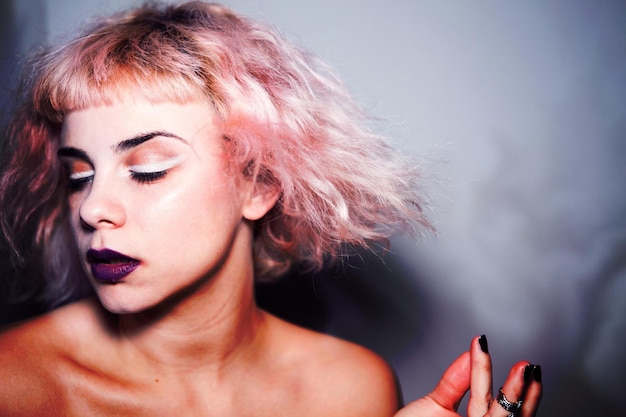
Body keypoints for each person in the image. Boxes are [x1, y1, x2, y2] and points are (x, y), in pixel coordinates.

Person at [0, 1, 542, 416]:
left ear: (258, 184)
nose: (93, 208)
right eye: (78, 176)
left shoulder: (350, 390)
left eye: (147, 169)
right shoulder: (16, 384)